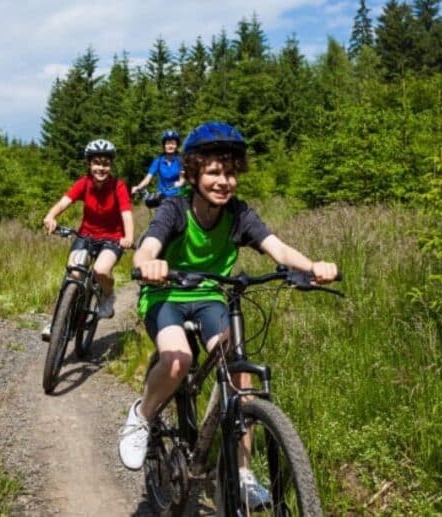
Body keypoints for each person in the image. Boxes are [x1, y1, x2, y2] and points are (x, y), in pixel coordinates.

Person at [117, 121, 338, 508]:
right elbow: (146, 247)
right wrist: (149, 263)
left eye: (231, 172)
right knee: (178, 359)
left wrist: (312, 266)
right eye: (215, 171)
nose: (224, 181)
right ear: (194, 172)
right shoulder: (176, 207)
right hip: (165, 295)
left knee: (240, 369)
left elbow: (279, 249)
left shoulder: (238, 214)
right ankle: (143, 413)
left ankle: (243, 474)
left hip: (210, 297)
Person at [41, 138, 134, 340]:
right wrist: (50, 216)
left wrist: (128, 237)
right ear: (89, 164)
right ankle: (58, 321)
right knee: (73, 273)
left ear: (111, 165)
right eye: (97, 163)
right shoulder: (84, 183)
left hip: (112, 239)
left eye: (106, 164)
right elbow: (64, 202)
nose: (101, 168)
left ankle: (107, 296)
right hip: (86, 235)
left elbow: (126, 214)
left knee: (101, 270)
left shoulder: (118, 186)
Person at [130, 129, 185, 199]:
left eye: (173, 143)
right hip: (162, 197)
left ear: (177, 146)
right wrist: (138, 187)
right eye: (168, 143)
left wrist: (180, 183)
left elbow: (182, 179)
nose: (170, 146)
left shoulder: (181, 160)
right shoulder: (158, 161)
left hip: (178, 196)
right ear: (164, 145)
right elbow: (148, 178)